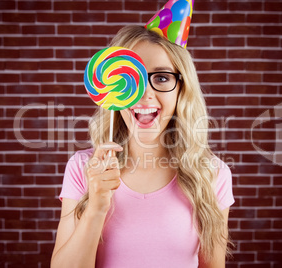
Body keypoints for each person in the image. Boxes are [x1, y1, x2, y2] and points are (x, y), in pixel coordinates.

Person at [51, 25, 234, 268]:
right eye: (129, 78)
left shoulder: (212, 174)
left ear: (181, 89)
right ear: (110, 89)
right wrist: (96, 206)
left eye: (161, 77)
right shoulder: (84, 168)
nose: (144, 93)